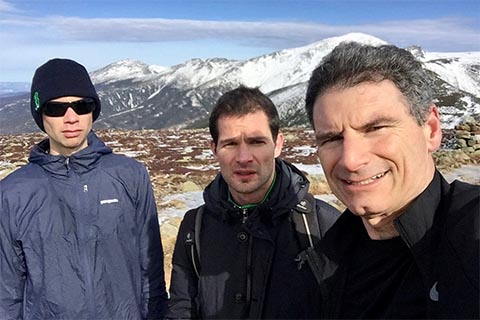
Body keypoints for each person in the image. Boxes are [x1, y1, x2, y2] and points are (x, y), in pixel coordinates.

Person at [305, 42, 480, 319]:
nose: (350, 160)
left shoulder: (471, 232)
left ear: (431, 130)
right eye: (332, 138)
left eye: (376, 128)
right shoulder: (322, 259)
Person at [0, 58, 168, 319]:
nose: (71, 118)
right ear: (40, 114)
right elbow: (7, 291)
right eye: (56, 108)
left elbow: (151, 270)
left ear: (93, 111)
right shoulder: (13, 193)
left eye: (82, 106)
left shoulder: (130, 175)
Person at [166, 85, 341, 318]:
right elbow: (182, 310)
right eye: (230, 144)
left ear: (277, 144)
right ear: (214, 149)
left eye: (257, 142)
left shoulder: (322, 224)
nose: (243, 158)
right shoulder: (195, 227)